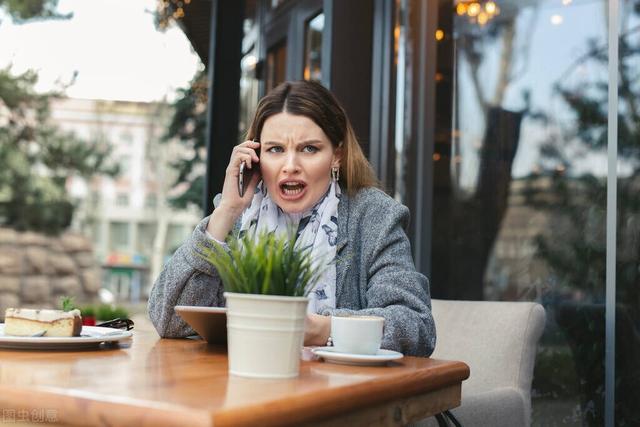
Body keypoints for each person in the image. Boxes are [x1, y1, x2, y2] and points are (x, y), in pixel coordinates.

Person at [148, 80, 436, 357]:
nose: (290, 166)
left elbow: (415, 326)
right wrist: (225, 212)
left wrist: (320, 329)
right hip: (243, 387)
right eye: (276, 149)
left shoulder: (373, 215)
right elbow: (167, 319)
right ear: (256, 156)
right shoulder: (237, 218)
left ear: (336, 155)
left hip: (339, 395)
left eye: (309, 148)